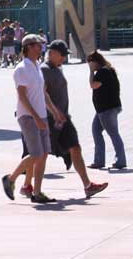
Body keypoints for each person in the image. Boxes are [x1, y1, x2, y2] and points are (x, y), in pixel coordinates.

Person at [1, 34, 65, 203]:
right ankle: (11, 179)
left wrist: (54, 112)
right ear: (29, 47)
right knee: (36, 154)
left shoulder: (36, 67)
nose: (41, 48)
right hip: (28, 117)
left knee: (44, 154)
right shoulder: (22, 69)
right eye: (38, 45)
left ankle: (37, 192)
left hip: (41, 116)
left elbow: (43, 94)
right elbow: (22, 96)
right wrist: (36, 117)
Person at [42, 40, 109, 197]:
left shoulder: (57, 69)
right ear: (52, 53)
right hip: (51, 119)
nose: (64, 58)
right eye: (62, 54)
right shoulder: (44, 70)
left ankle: (88, 185)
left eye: (65, 54)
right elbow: (43, 94)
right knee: (40, 154)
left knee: (75, 148)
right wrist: (55, 112)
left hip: (64, 119)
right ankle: (20, 182)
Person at [86, 51, 127, 170]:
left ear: (95, 62)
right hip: (104, 108)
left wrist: (90, 72)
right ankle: (99, 160)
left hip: (106, 108)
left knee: (113, 133)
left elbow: (93, 85)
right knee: (96, 130)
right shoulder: (108, 70)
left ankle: (120, 160)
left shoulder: (103, 72)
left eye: (90, 63)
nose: (89, 65)